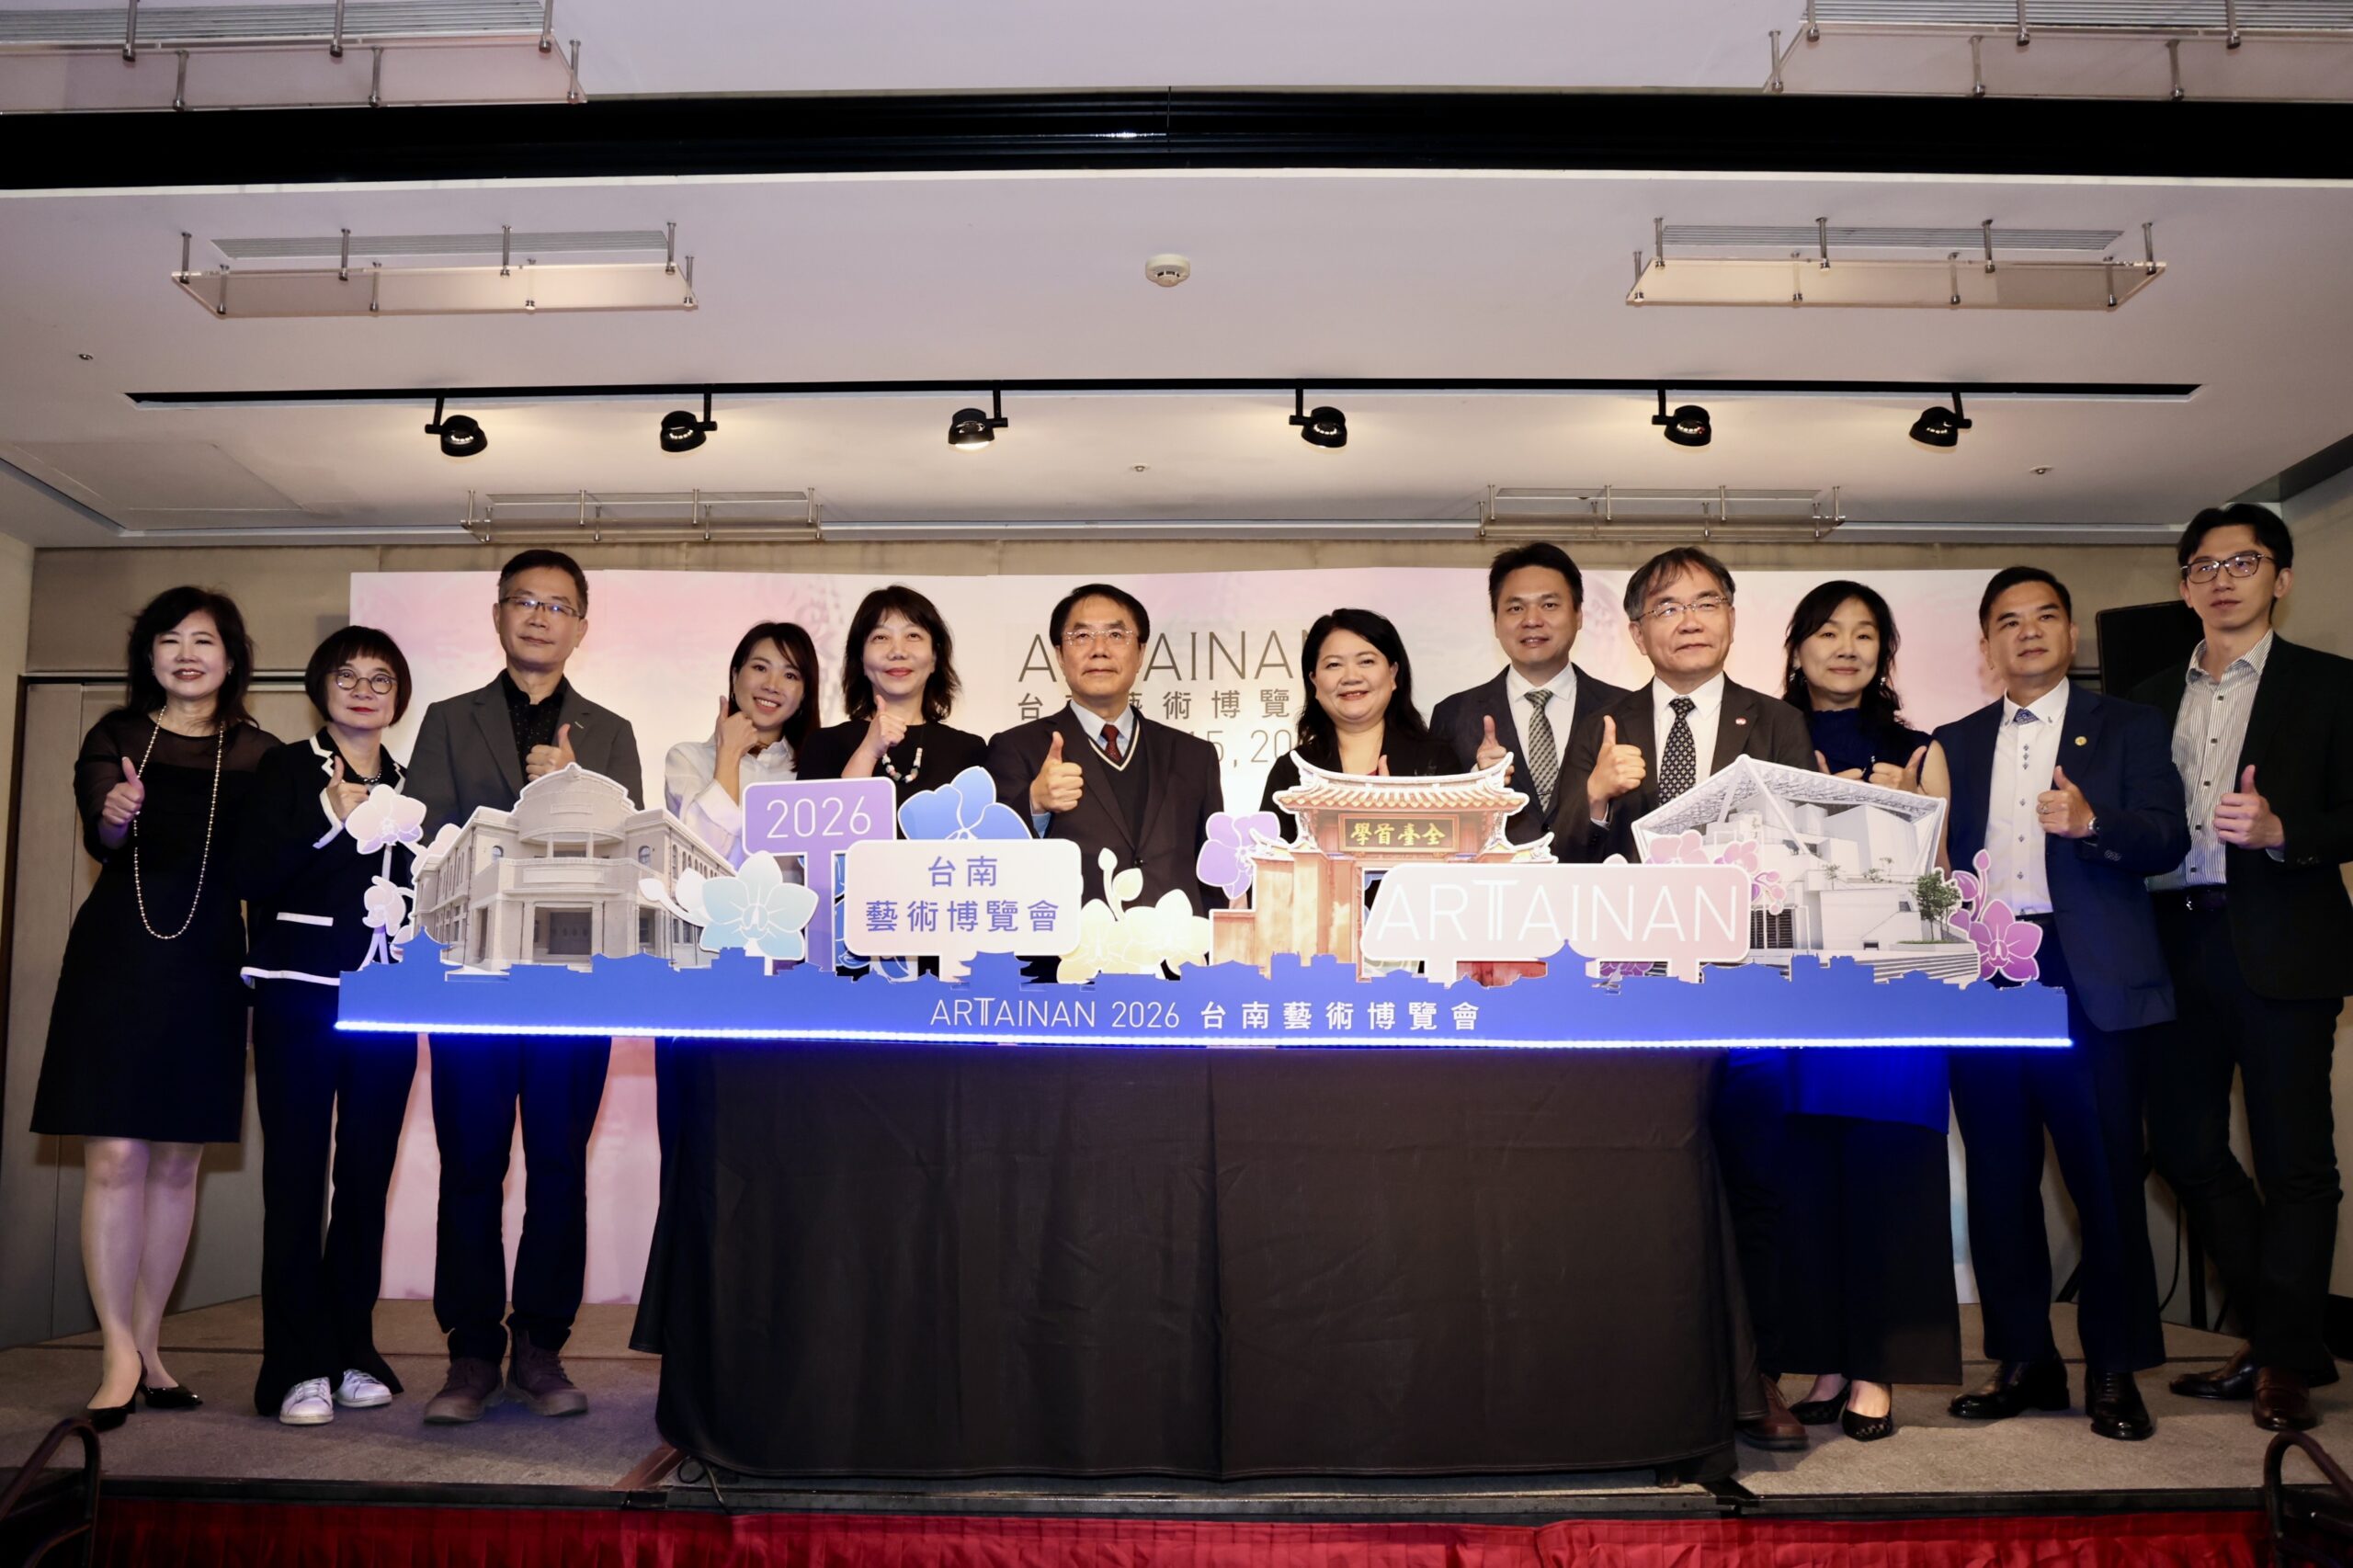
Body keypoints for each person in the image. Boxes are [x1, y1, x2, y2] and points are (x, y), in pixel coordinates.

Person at [1550, 548, 1816, 1452]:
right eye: (1667, 607)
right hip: (1629, 996)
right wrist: (1594, 796)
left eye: (1707, 602)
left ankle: (1759, 1376)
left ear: (1732, 617)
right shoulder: (1601, 722)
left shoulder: (1777, 720)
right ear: (1636, 631)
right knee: (1638, 1187)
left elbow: (1803, 858)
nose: (1689, 619)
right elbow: (1552, 854)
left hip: (1748, 990)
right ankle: (1638, 1375)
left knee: (1756, 1182)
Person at [1920, 565, 2187, 1442]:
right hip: (1989, 972)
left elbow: (2167, 837)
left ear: (2071, 634)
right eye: (2008, 621)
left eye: (2044, 617)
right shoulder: (1954, 741)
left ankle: (2113, 1367)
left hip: (2086, 973)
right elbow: (1933, 866)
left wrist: (2092, 824)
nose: (2027, 632)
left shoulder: (2130, 725)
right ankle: (2024, 1359)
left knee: (2103, 1176)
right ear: (1987, 645)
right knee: (1999, 1176)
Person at [404, 549, 643, 1426]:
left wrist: (571, 791)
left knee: (557, 1166)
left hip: (572, 987)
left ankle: (541, 1346)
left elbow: (627, 858)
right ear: (498, 614)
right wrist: (524, 810)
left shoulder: (609, 732)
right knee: (470, 1164)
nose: (540, 617)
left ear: (582, 627)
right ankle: (469, 1353)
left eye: (558, 605)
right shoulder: (447, 720)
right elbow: (429, 845)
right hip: (471, 980)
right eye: (525, 601)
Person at [30, 587, 278, 1431]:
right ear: (149, 657)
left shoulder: (261, 754)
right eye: (169, 640)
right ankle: (116, 1351)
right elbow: (102, 835)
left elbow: (271, 872)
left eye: (203, 640)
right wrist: (113, 814)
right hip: (117, 960)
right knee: (113, 1158)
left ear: (231, 658)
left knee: (177, 1163)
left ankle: (149, 1344)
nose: (186, 654)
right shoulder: (117, 737)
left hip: (210, 965)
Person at [2132, 505, 2353, 1433]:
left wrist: (2284, 830)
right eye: (2204, 566)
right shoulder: (2144, 698)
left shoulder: (2331, 685)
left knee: (2294, 1158)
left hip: (2281, 944)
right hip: (2170, 943)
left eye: (2243, 562)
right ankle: (2285, 1336)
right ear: (2184, 586)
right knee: (2183, 1148)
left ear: (2281, 578)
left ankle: (2281, 1358)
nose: (2221, 579)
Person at [1775, 581, 1958, 1442]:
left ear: (1884, 652)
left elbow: (1944, 887)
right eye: (1827, 632)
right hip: (1795, 993)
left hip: (1892, 996)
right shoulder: (1771, 745)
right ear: (1797, 648)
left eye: (1864, 634)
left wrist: (1903, 814)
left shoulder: (1920, 751)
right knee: (1807, 1182)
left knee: (1888, 1176)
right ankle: (1826, 1358)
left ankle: (1877, 1365)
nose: (1845, 648)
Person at [232, 628, 419, 1426]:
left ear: (398, 696)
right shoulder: (285, 769)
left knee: (367, 1179)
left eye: (381, 679)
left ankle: (350, 1350)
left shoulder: (413, 782)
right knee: (296, 1178)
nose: (364, 691)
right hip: (298, 995)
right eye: (348, 677)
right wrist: (326, 814)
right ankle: (294, 1365)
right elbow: (251, 874)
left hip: (388, 1000)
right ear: (320, 687)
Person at [985, 583, 1223, 920]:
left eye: (1116, 635)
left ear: (1140, 653)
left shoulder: (1194, 756)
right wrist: (1034, 803)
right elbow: (993, 866)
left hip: (1178, 947)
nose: (1099, 649)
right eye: (1082, 636)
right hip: (1067, 947)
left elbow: (1212, 875)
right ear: (1059, 656)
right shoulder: (1016, 748)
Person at [1429, 543, 1631, 844]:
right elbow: (1437, 828)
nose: (1532, 620)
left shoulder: (1625, 708)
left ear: (1578, 615)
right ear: (1496, 622)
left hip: (1596, 872)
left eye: (1549, 605)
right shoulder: (1454, 714)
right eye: (1515, 608)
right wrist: (1475, 785)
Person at [1259, 608, 1461, 840]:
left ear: (1393, 674)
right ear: (1314, 681)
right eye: (1334, 665)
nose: (1351, 677)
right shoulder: (1293, 771)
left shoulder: (1434, 760)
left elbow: (1458, 852)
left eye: (1366, 661)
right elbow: (1269, 857)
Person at [797, 585, 988, 805]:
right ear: (860, 658)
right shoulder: (824, 745)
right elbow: (824, 825)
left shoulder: (969, 750)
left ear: (935, 657)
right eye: (881, 637)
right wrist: (868, 752)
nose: (898, 651)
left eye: (913, 635)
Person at [662, 621, 819, 867]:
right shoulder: (687, 759)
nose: (772, 685)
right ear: (735, 676)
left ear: (804, 695)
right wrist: (729, 754)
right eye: (760, 668)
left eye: (790, 675)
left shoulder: (814, 773)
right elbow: (700, 859)